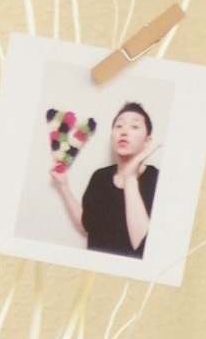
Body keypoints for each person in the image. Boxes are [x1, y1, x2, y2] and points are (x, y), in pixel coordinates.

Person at [51, 99, 156, 258]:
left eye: (134, 126)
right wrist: (63, 186)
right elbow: (87, 225)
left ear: (147, 141)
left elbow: (143, 247)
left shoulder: (158, 181)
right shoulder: (100, 177)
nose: (124, 131)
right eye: (119, 126)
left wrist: (130, 178)